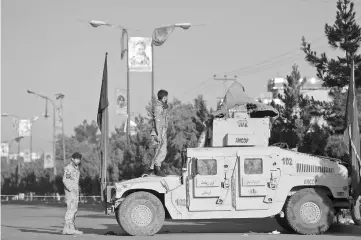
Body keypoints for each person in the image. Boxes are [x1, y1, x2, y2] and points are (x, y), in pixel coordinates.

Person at [144, 90, 169, 177]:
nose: (167, 99)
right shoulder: (159, 107)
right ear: (164, 97)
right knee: (159, 151)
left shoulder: (162, 106)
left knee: (162, 150)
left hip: (162, 130)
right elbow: (157, 121)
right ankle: (155, 169)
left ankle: (156, 168)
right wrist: (158, 134)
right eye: (166, 97)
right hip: (159, 131)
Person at [62, 152, 83, 235]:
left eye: (79, 159)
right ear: (72, 159)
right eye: (77, 159)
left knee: (74, 209)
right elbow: (65, 180)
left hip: (75, 192)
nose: (78, 160)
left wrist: (77, 188)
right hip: (70, 192)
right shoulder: (69, 168)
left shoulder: (76, 168)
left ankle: (72, 228)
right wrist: (72, 189)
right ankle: (67, 228)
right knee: (70, 209)